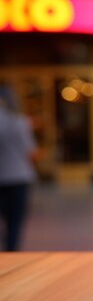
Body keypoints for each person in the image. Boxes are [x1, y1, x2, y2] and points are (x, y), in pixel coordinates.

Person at [0, 87, 36, 251]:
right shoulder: (20, 122)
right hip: (19, 176)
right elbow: (29, 150)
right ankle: (11, 252)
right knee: (15, 221)